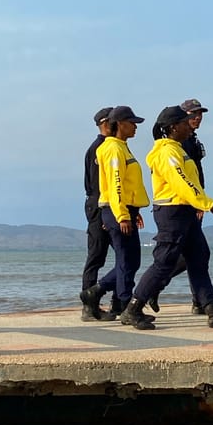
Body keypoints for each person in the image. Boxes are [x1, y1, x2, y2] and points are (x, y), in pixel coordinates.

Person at [120, 106, 213, 331]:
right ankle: (133, 308)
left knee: (199, 257)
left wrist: (199, 203)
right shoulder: (167, 153)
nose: (190, 126)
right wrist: (209, 205)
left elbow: (191, 182)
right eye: (185, 123)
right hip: (172, 213)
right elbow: (182, 183)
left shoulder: (177, 149)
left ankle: (212, 309)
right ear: (173, 127)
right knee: (164, 262)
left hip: (185, 211)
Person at [79, 106, 155, 330]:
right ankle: (120, 305)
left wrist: (134, 211)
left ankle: (99, 294)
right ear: (118, 123)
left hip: (121, 209)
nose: (135, 127)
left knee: (129, 261)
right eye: (132, 122)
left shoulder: (121, 147)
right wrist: (120, 215)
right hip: (111, 210)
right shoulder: (109, 148)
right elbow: (114, 185)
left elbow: (126, 185)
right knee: (113, 259)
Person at [147, 97, 209, 315]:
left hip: (192, 202)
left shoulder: (192, 139)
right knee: (177, 257)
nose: (197, 117)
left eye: (200, 114)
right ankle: (150, 290)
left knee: (198, 254)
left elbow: (196, 174)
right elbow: (180, 178)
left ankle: (203, 303)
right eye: (193, 115)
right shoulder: (176, 142)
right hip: (180, 205)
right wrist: (200, 203)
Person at [80, 107, 117, 322]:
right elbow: (98, 184)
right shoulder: (99, 149)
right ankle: (89, 306)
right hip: (99, 206)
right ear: (106, 123)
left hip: (103, 205)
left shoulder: (107, 146)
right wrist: (104, 214)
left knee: (124, 256)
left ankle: (118, 300)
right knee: (96, 256)